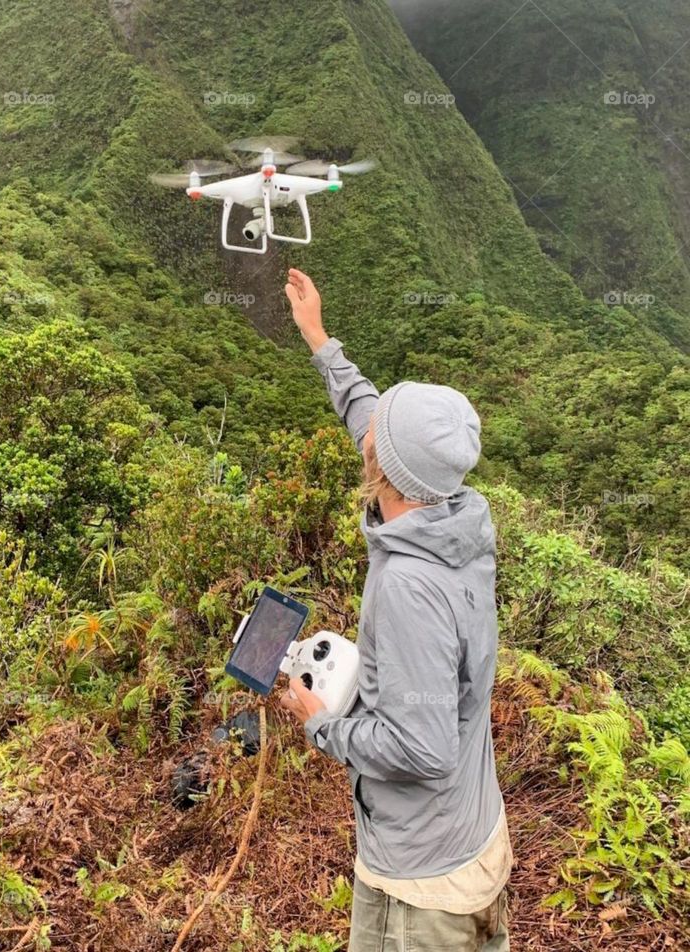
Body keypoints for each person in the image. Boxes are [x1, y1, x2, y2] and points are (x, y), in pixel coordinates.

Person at [279, 269, 512, 951]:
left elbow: (424, 749)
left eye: (378, 430)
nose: (369, 424)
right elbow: (373, 418)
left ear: (382, 466)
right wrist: (319, 339)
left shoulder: (410, 586)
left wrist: (321, 726)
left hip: (423, 886)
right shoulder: (454, 512)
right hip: (468, 832)